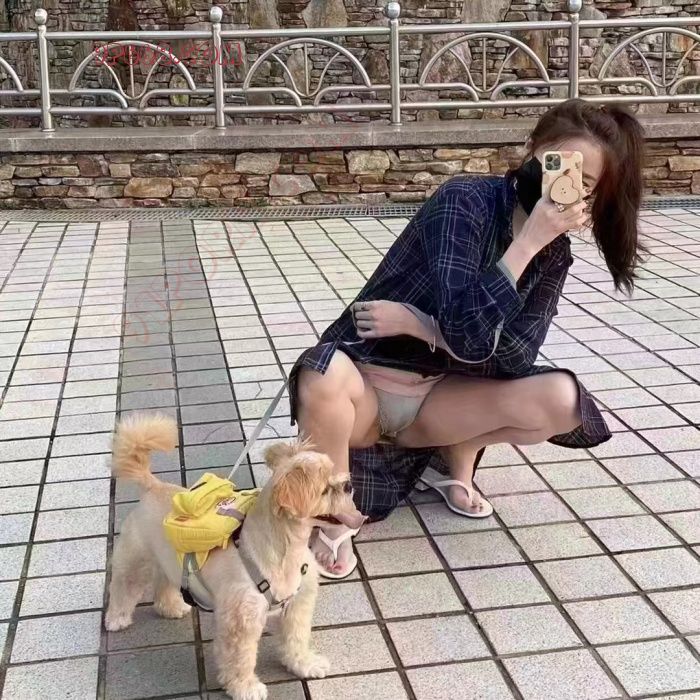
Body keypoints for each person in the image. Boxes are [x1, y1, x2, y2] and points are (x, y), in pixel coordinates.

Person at [288, 99, 646, 578]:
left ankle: (450, 454)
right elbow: (467, 329)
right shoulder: (466, 201)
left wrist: (423, 325)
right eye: (559, 164)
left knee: (561, 400)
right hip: (367, 387)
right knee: (321, 370)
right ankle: (332, 515)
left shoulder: (553, 254)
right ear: (531, 149)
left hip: (439, 399)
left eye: (585, 182)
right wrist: (524, 244)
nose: (567, 185)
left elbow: (514, 358)